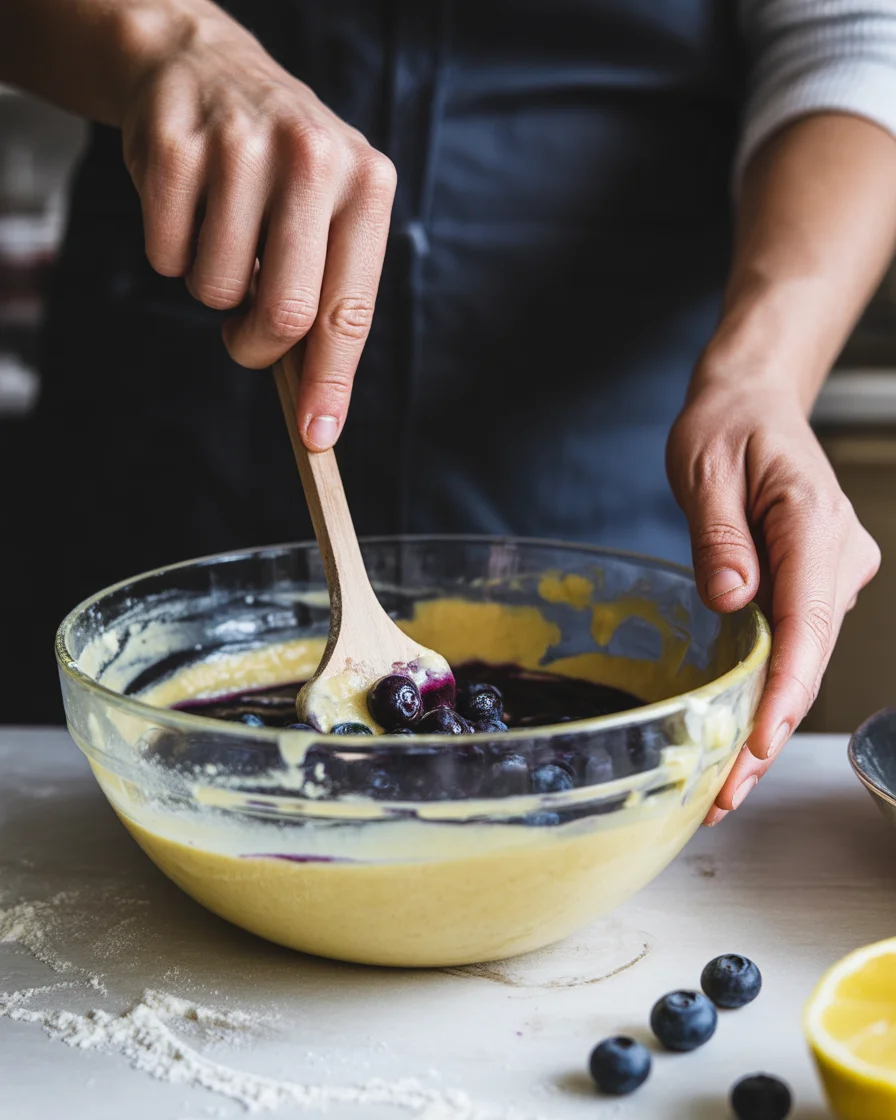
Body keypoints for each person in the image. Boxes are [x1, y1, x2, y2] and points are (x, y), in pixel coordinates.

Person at [0, 1, 893, 825]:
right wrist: (158, 38)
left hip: (590, 439)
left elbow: (851, 38)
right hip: (176, 418)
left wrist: (763, 375)